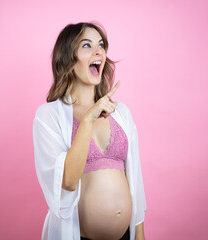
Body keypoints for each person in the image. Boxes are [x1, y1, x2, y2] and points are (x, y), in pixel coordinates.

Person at [33, 22, 147, 240]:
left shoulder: (120, 112)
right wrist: (87, 120)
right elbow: (67, 181)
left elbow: (136, 183)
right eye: (86, 45)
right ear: (68, 58)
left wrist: (140, 236)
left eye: (101, 45)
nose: (98, 52)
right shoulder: (48, 116)